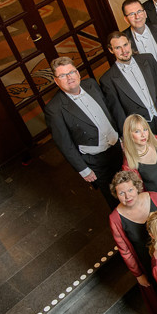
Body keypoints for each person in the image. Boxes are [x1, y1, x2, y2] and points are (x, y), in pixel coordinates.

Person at [44, 56, 124, 208]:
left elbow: (109, 111)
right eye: (62, 75)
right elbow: (65, 144)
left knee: (132, 184)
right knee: (115, 198)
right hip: (96, 160)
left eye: (71, 72)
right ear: (56, 81)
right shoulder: (54, 109)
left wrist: (122, 138)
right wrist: (83, 169)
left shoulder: (91, 84)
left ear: (78, 73)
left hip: (117, 147)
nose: (69, 78)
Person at [108, 171, 157, 314]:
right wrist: (138, 274)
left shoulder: (156, 198)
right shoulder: (115, 218)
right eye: (121, 193)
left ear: (137, 187)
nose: (127, 196)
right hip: (149, 262)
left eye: (130, 190)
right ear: (116, 195)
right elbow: (124, 249)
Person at [100, 31, 157, 156]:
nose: (124, 50)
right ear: (111, 50)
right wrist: (126, 137)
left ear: (130, 43)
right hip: (140, 130)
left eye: (125, 45)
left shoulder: (148, 59)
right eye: (118, 48)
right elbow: (118, 112)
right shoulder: (107, 80)